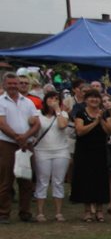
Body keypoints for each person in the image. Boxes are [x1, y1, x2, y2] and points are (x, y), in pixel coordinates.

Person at [0, 72, 40, 223]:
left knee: (26, 180)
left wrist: (26, 136)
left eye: (14, 83)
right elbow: (2, 124)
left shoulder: (28, 102)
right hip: (7, 144)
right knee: (6, 180)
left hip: (26, 144)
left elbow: (37, 123)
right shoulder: (1, 101)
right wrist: (18, 137)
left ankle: (25, 212)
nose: (13, 86)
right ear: (4, 84)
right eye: (9, 84)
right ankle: (3, 213)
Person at [70, 88, 111, 221]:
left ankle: (100, 210)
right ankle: (87, 211)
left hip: (100, 150)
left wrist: (101, 120)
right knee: (86, 179)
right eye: (91, 97)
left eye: (96, 97)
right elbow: (80, 131)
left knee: (100, 179)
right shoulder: (80, 113)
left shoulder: (105, 113)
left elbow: (110, 130)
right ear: (86, 100)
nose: (94, 100)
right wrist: (94, 122)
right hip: (84, 151)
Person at [33, 90, 72, 222]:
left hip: (61, 151)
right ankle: (40, 212)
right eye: (51, 98)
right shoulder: (38, 114)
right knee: (42, 181)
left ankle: (58, 212)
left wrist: (57, 110)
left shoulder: (63, 114)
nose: (53, 101)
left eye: (56, 99)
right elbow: (31, 123)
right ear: (45, 100)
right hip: (42, 151)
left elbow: (62, 125)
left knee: (58, 181)